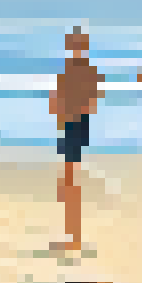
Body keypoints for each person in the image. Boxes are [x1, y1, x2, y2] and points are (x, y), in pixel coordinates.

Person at [48, 28, 101, 254]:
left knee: (70, 182)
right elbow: (60, 101)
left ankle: (74, 236)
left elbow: (86, 102)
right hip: (73, 125)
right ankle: (72, 234)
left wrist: (67, 110)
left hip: (74, 125)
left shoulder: (80, 71)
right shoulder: (80, 71)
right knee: (68, 182)